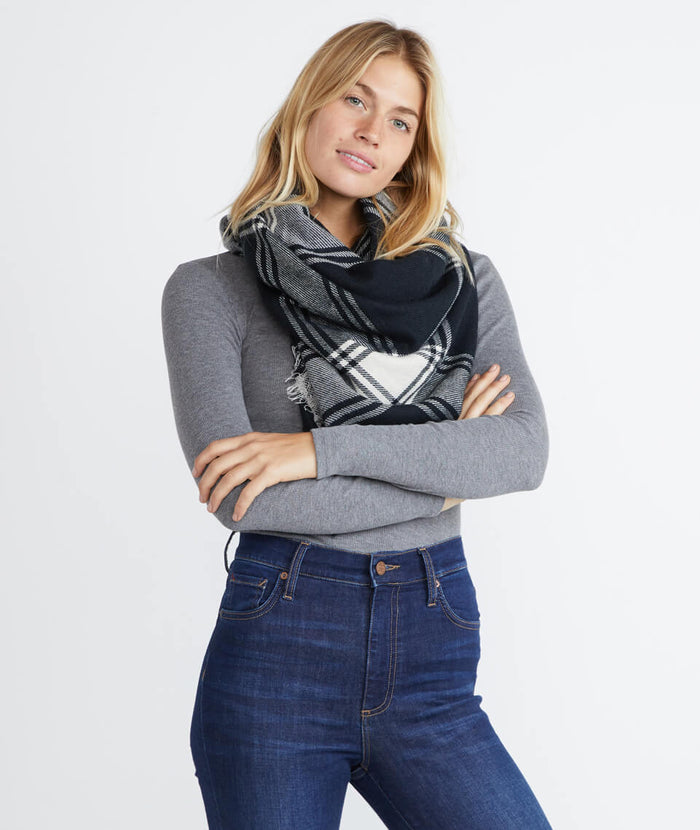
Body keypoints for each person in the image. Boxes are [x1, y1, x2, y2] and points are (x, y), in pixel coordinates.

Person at [161, 19, 552, 830]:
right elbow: (244, 497)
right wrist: (443, 477)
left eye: (402, 120)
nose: (374, 131)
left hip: (433, 648)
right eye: (355, 99)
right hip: (277, 662)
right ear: (309, 104)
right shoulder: (210, 291)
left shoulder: (463, 283)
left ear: (414, 148)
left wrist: (316, 450)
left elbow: (521, 452)